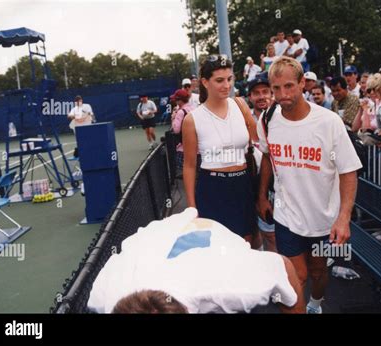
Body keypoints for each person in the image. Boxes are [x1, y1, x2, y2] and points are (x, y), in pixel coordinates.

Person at [256, 56, 362, 314]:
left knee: (317, 273)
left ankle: (315, 303)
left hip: (323, 217)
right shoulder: (267, 120)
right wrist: (262, 196)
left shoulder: (328, 122)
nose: (282, 94)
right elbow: (268, 157)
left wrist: (343, 217)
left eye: (289, 86)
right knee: (296, 277)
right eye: (276, 88)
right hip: (287, 216)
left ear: (303, 83)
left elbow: (348, 171)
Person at [88, 208, 303, 314]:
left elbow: (284, 266)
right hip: (158, 235)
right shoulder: (103, 294)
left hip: (209, 235)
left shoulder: (234, 283)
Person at [182, 55, 258, 243]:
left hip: (243, 184)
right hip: (212, 188)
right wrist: (192, 207)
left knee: (246, 244)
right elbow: (190, 165)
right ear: (205, 82)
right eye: (219, 80)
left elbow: (257, 143)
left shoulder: (241, 105)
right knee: (216, 246)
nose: (226, 85)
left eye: (229, 79)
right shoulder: (192, 119)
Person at [247, 74, 277, 252]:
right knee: (252, 232)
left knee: (271, 234)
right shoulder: (242, 120)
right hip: (248, 183)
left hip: (273, 186)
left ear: (271, 93)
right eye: (256, 93)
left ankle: (278, 274)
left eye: (265, 91)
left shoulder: (280, 116)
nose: (261, 96)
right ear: (250, 97)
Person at [171, 89, 194, 176]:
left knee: (186, 170)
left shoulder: (181, 112)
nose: (176, 102)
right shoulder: (193, 108)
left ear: (180, 100)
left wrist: (174, 117)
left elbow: (176, 130)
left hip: (185, 147)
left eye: (176, 100)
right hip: (197, 145)